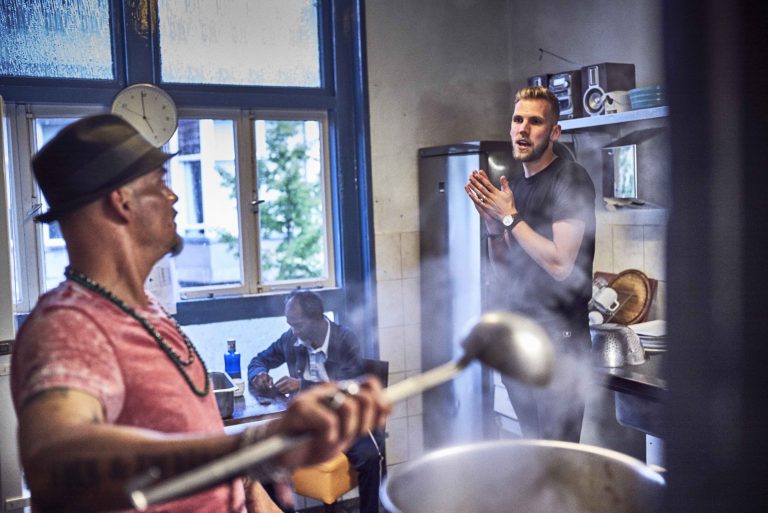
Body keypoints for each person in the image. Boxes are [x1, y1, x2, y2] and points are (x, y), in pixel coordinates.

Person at [10, 114, 391, 513]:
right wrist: (256, 445)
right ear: (121, 201)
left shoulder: (149, 314)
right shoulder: (71, 328)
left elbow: (206, 442)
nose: (174, 197)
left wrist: (254, 489)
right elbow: (55, 465)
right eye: (160, 183)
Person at [464, 86, 596, 442]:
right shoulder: (518, 189)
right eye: (518, 119)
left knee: (559, 459)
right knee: (533, 454)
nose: (523, 129)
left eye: (535, 122)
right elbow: (506, 271)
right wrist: (494, 227)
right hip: (522, 340)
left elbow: (560, 264)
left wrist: (509, 219)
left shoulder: (570, 177)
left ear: (553, 133)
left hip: (561, 345)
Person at [248, 290, 385, 513]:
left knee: (370, 457)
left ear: (317, 319)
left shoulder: (345, 339)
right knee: (264, 455)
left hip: (342, 420)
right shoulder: (291, 339)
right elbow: (258, 359)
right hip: (306, 425)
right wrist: (258, 374)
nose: (293, 330)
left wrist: (302, 386)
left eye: (298, 324)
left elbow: (351, 389)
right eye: (289, 324)